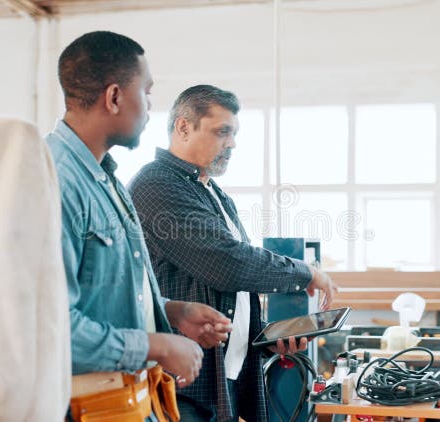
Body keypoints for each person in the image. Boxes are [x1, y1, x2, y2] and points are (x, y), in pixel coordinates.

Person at [46, 33, 232, 421]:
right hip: (88, 407)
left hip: (130, 401)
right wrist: (156, 346)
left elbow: (101, 293)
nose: (149, 107)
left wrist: (171, 311)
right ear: (114, 97)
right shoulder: (57, 182)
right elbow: (53, 328)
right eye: (145, 92)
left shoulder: (106, 179)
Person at [129, 84, 337, 421]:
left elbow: (229, 291)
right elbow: (227, 262)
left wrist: (265, 337)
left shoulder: (213, 193)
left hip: (223, 379)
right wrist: (305, 273)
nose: (232, 143)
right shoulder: (157, 184)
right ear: (184, 127)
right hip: (183, 384)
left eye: (234, 133)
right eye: (222, 131)